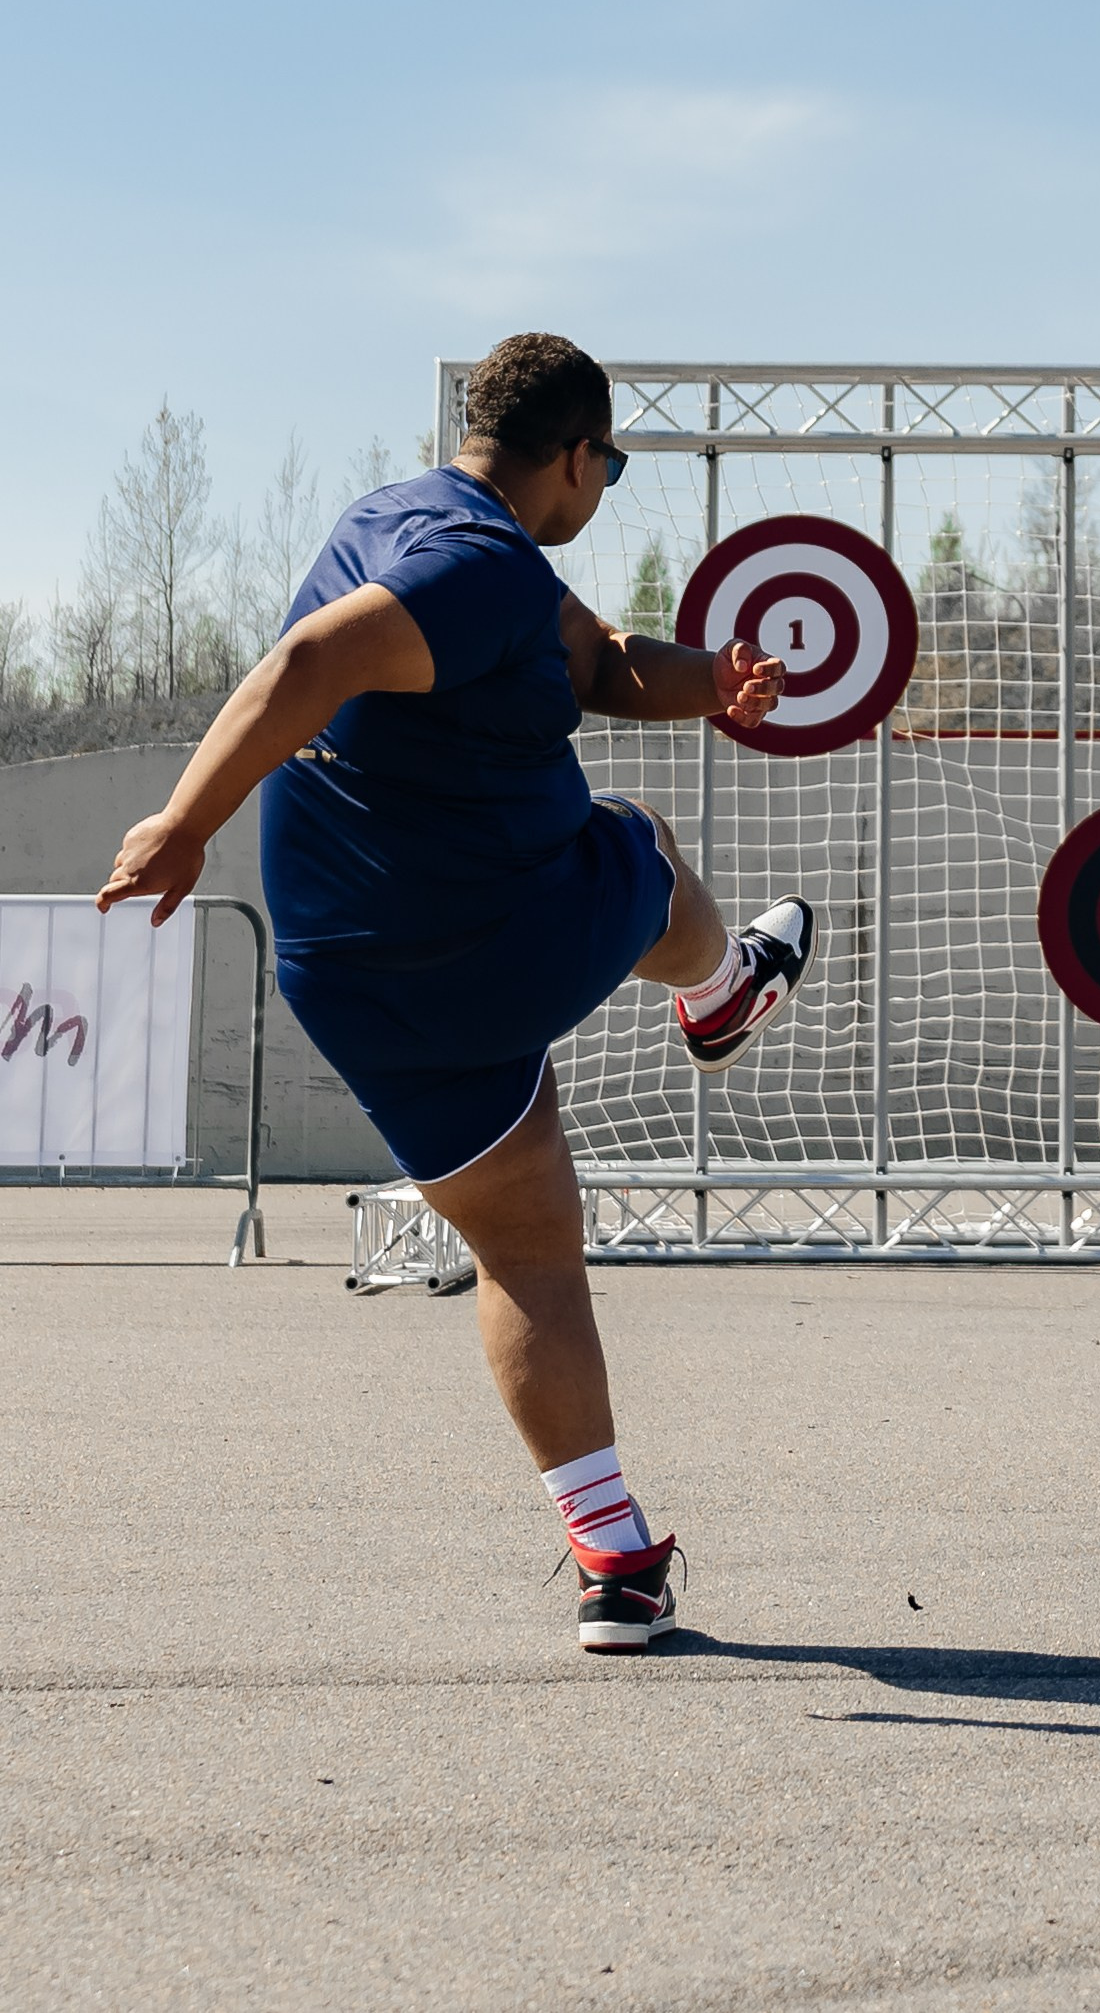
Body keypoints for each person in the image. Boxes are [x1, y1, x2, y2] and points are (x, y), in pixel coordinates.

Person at [97, 333, 818, 1653]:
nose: (604, 488)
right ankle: (720, 994)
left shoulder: (403, 523)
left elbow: (599, 667)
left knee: (528, 1249)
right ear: (570, 456)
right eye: (609, 465)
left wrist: (710, 679)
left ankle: (615, 1566)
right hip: (492, 933)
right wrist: (186, 820)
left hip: (356, 980)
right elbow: (312, 662)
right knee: (643, 841)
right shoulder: (483, 567)